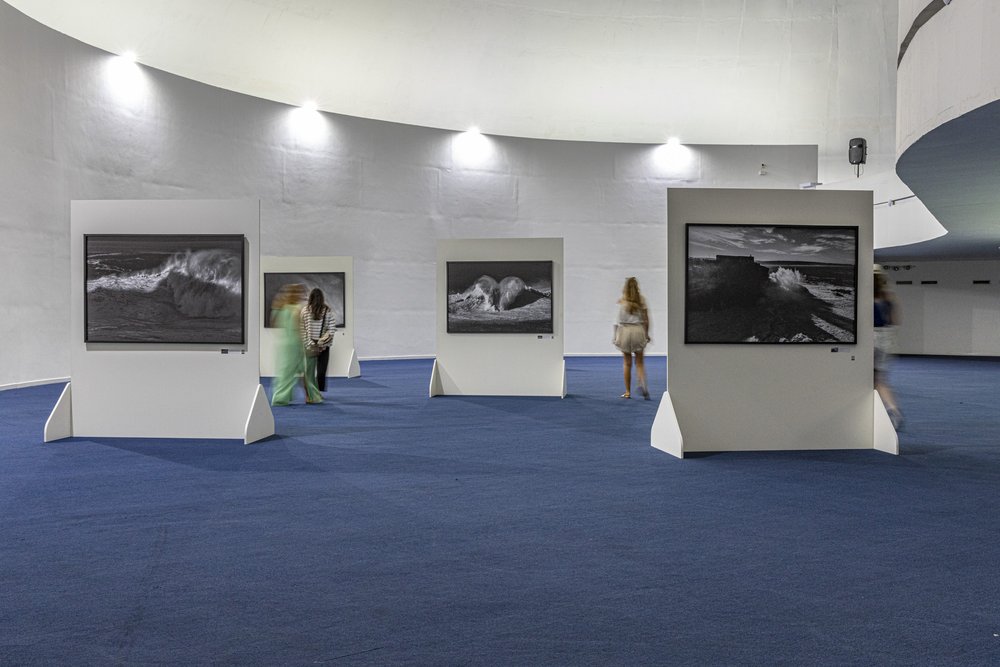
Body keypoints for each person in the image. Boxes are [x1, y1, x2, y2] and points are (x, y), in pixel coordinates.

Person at [270, 283, 321, 406]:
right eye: (301, 293)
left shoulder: (280, 307)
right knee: (308, 372)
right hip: (297, 344)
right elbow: (300, 329)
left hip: (284, 344)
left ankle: (280, 398)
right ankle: (312, 397)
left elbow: (274, 323)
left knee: (285, 373)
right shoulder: (299, 309)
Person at [874, 266, 902, 428]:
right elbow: (895, 320)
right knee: (881, 379)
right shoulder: (889, 297)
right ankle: (893, 409)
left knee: (869, 379)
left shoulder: (866, 296)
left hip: (870, 339)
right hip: (887, 338)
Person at [614, 276, 650, 399]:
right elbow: (646, 320)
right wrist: (647, 334)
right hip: (638, 330)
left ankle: (628, 392)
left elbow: (618, 321)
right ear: (637, 287)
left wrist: (616, 335)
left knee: (627, 363)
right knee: (639, 363)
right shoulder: (642, 300)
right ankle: (642, 384)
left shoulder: (622, 301)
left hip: (624, 331)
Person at [302, 288, 335, 393]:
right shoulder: (327, 310)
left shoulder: (306, 310)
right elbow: (331, 330)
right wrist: (321, 343)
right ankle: (316, 392)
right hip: (322, 346)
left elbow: (302, 329)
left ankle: (312, 393)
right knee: (320, 371)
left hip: (312, 345)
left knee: (311, 372)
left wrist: (311, 343)